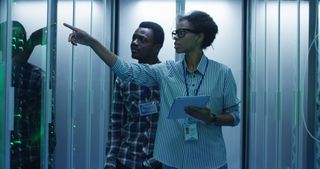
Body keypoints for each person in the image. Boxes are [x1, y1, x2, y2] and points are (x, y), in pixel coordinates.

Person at [64, 10, 240, 169]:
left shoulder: (222, 73)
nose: (176, 37)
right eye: (175, 33)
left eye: (181, 33)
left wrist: (212, 118)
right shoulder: (167, 71)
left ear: (199, 37)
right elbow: (127, 71)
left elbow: (234, 116)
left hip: (211, 161)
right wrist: (92, 42)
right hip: (172, 162)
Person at [105, 21, 164, 169]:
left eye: (142, 40)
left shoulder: (167, 78)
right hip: (126, 161)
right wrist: (110, 161)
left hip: (158, 163)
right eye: (134, 38)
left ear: (157, 47)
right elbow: (116, 122)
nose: (134, 43)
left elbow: (174, 128)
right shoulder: (123, 78)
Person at [0, 21, 56, 169]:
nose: (16, 44)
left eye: (20, 39)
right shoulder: (2, 73)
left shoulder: (38, 77)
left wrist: (46, 156)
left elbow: (48, 122)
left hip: (30, 158)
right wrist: (31, 43)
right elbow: (9, 72)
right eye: (11, 39)